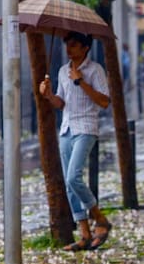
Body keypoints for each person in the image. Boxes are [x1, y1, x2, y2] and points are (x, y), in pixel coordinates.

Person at [39, 32, 113, 251]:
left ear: (85, 48)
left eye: (73, 45)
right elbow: (61, 103)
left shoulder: (95, 70)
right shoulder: (63, 71)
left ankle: (100, 219)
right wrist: (48, 95)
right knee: (70, 185)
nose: (69, 49)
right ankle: (84, 234)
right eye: (67, 45)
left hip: (86, 128)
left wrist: (81, 81)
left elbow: (104, 101)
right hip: (67, 128)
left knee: (74, 177)